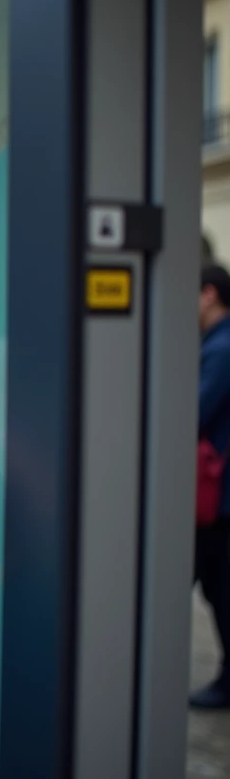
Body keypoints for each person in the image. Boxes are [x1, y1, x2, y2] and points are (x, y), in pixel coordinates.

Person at [193, 261, 230, 709]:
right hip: (215, 495)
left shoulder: (220, 350)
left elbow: (193, 412)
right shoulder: (215, 344)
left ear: (208, 294)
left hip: (217, 497)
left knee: (221, 588)